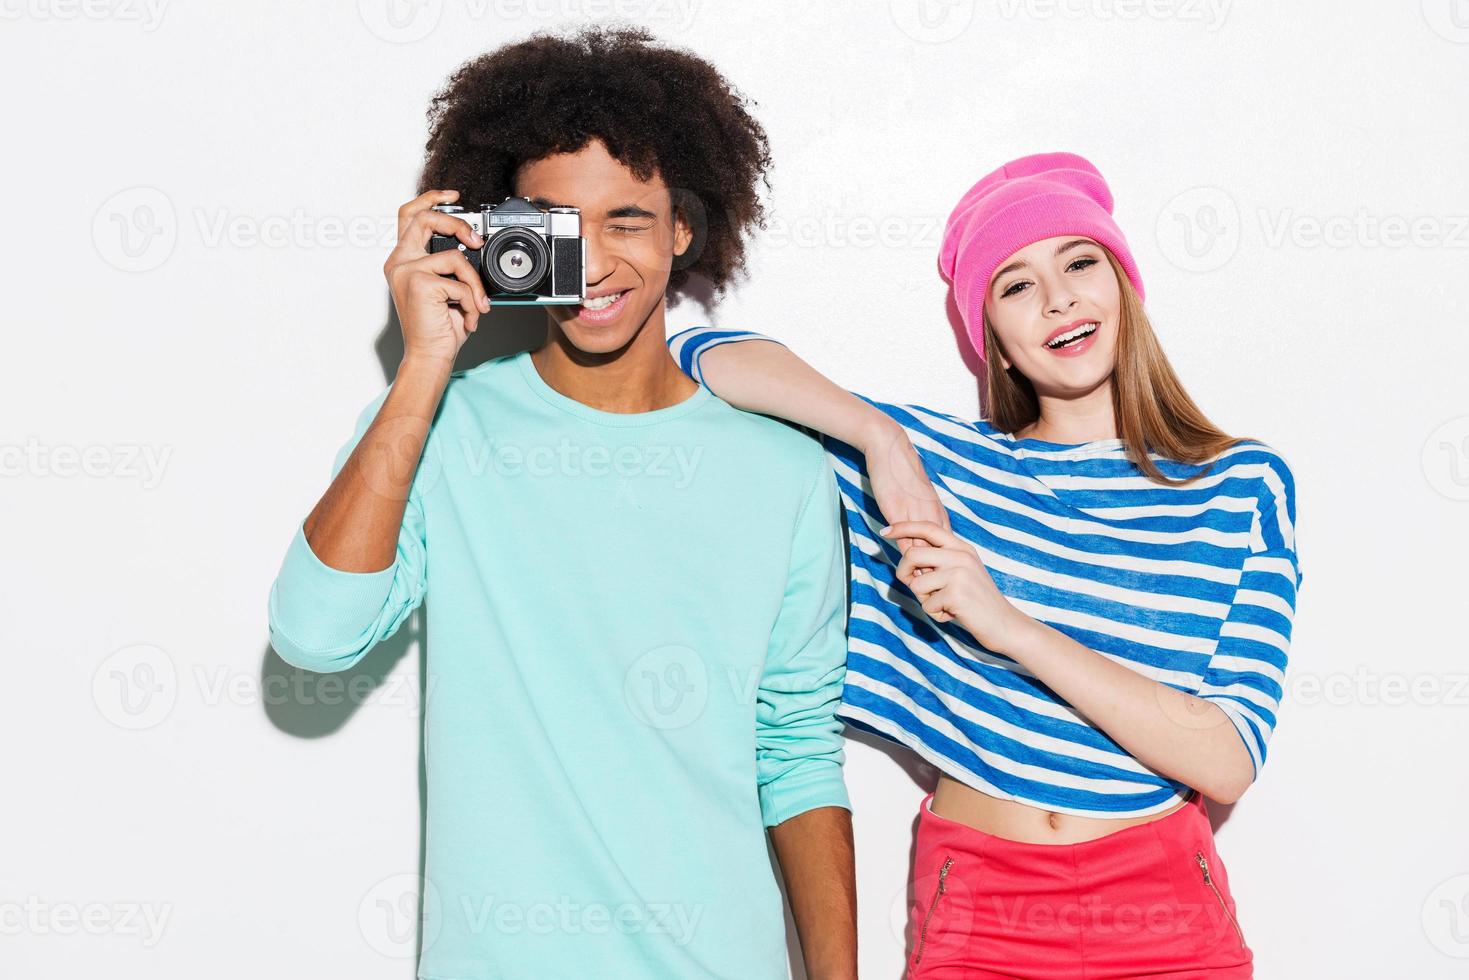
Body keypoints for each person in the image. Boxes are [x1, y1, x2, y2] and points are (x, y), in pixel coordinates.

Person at [267, 28, 857, 980]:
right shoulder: (443, 428)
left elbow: (795, 751)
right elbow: (313, 633)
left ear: (682, 231)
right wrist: (424, 364)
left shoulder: (782, 473)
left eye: (626, 219)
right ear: (501, 233)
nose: (591, 259)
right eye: (553, 224)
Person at [668, 151, 1302, 978]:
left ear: (1124, 289)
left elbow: (1225, 758)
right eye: (1014, 285)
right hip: (983, 908)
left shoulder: (1239, 483)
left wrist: (1004, 624)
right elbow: (697, 353)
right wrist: (881, 441)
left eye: (1079, 263)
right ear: (990, 340)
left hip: (1162, 912)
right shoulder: (944, 465)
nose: (1058, 298)